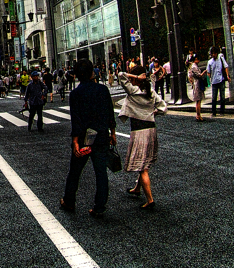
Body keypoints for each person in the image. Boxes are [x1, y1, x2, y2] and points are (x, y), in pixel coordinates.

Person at [60, 59, 116, 218]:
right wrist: (113, 133)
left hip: (85, 138)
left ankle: (69, 201)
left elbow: (76, 119)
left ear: (76, 75)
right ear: (92, 73)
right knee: (101, 172)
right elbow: (109, 113)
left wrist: (75, 141)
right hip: (101, 136)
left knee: (75, 172)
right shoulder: (102, 90)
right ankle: (99, 206)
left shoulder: (76, 94)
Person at [117, 65, 166, 210]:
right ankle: (137, 188)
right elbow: (164, 107)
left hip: (139, 130)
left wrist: (135, 77)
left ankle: (150, 200)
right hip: (151, 128)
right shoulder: (150, 92)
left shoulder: (133, 91)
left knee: (142, 167)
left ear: (137, 78)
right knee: (144, 162)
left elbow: (120, 75)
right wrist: (152, 113)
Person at [206, 47, 229, 117]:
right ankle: (214, 112)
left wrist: (227, 76)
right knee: (214, 97)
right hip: (214, 81)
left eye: (215, 53)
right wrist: (208, 81)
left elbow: (226, 67)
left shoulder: (221, 58)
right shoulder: (210, 62)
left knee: (222, 96)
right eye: (212, 53)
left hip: (221, 79)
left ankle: (222, 111)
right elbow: (208, 72)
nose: (213, 55)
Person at [187, 55, 206, 121]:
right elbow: (199, 75)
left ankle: (198, 115)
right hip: (197, 83)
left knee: (198, 100)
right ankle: (198, 115)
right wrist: (204, 72)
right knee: (198, 100)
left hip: (196, 83)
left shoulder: (192, 66)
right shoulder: (194, 66)